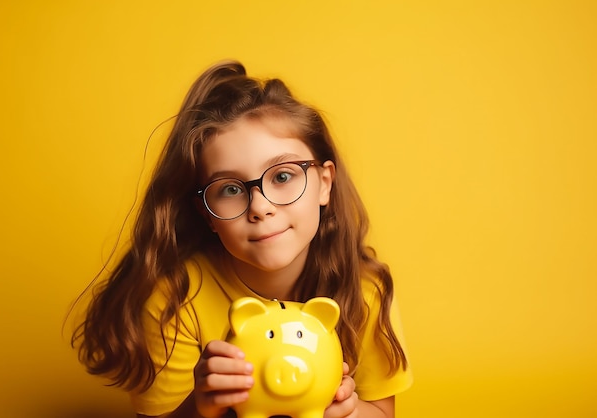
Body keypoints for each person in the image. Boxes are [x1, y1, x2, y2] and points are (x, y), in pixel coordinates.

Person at [72, 60, 413, 418]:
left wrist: (351, 412)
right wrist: (200, 407)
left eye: (282, 176)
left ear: (324, 183)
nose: (260, 207)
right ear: (206, 213)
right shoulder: (176, 298)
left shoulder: (365, 289)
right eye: (231, 188)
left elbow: (382, 412)